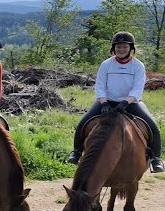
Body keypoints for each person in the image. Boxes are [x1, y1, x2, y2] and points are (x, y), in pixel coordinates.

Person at [66, 31, 165, 172]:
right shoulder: (106, 64)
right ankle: (76, 152)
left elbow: (137, 89)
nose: (121, 49)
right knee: (83, 122)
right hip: (107, 101)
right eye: (118, 47)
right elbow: (100, 85)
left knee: (153, 126)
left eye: (125, 47)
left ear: (131, 48)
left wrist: (125, 103)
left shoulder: (138, 66)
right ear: (114, 48)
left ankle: (156, 159)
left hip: (131, 103)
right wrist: (104, 102)